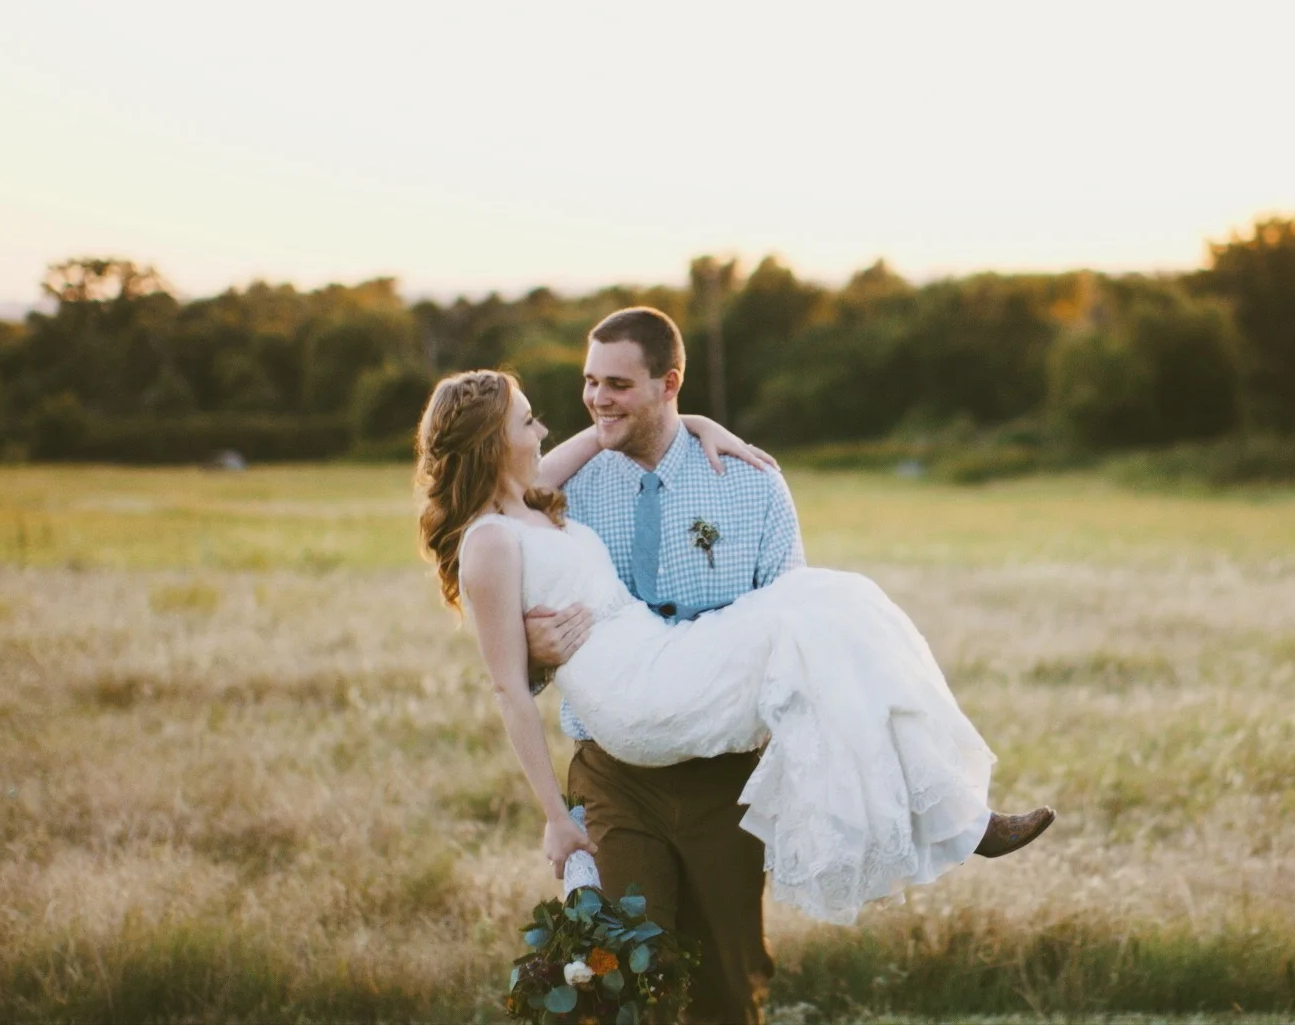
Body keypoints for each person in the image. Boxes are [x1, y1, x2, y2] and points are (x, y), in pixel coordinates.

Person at [416, 309, 1053, 1023]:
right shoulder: (505, 532)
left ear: (667, 385)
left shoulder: (557, 493)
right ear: (491, 441)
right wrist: (554, 815)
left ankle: (951, 813)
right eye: (537, 416)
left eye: (615, 385)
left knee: (837, 608)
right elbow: (507, 683)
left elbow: (607, 433)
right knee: (628, 971)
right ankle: (955, 821)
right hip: (632, 722)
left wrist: (697, 426)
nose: (572, 415)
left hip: (705, 745)